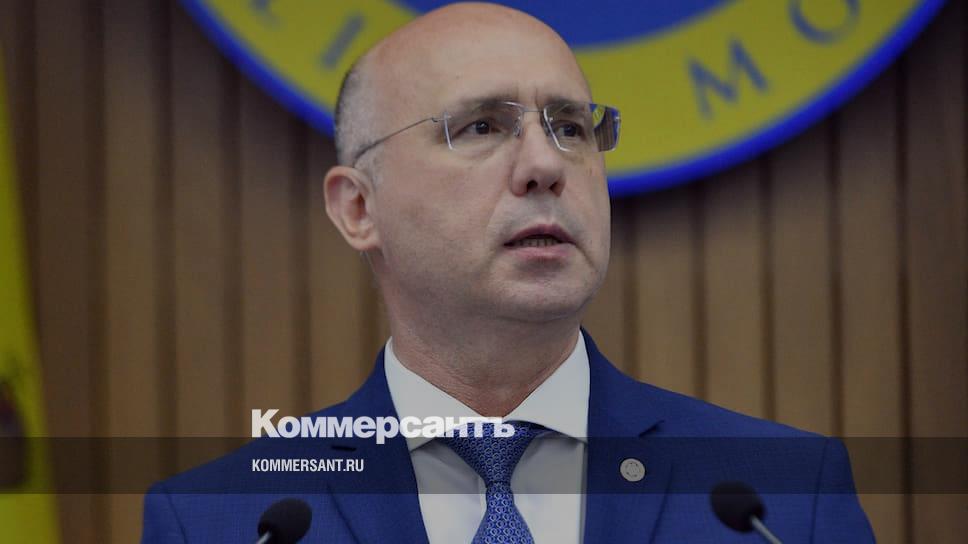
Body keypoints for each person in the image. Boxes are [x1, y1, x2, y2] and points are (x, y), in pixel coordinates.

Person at [142, 3, 874, 542]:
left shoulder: (778, 502)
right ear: (359, 208)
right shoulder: (228, 522)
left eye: (572, 127)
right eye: (482, 127)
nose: (545, 165)